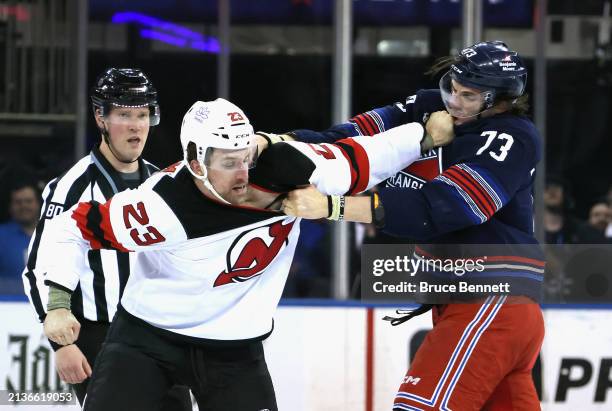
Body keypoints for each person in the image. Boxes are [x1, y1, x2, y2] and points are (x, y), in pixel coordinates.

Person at [37, 97, 453, 411]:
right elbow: (70, 227)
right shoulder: (158, 208)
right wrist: (57, 304)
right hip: (147, 342)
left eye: (246, 159)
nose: (243, 174)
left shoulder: (292, 167)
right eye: (228, 163)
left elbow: (364, 156)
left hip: (235, 353)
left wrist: (425, 135)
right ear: (196, 161)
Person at [283, 41, 545, 410]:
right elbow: (351, 138)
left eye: (468, 95)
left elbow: (444, 208)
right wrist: (281, 143)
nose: (453, 101)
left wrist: (331, 206)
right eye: (451, 87)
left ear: (500, 100)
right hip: (475, 304)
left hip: (490, 300)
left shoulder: (510, 138)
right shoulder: (427, 105)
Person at [21, 68, 190, 409]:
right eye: (124, 115)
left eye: (143, 115)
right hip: (101, 336)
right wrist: (62, 345)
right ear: (100, 117)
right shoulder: (73, 186)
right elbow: (38, 267)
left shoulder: (162, 183)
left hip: (159, 333)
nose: (136, 126)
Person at [0, 182, 41, 294]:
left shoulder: (54, 235)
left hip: (49, 305)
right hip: (9, 305)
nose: (24, 206)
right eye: (18, 202)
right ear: (10, 207)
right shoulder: (1, 235)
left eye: (28, 201)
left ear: (38, 204)